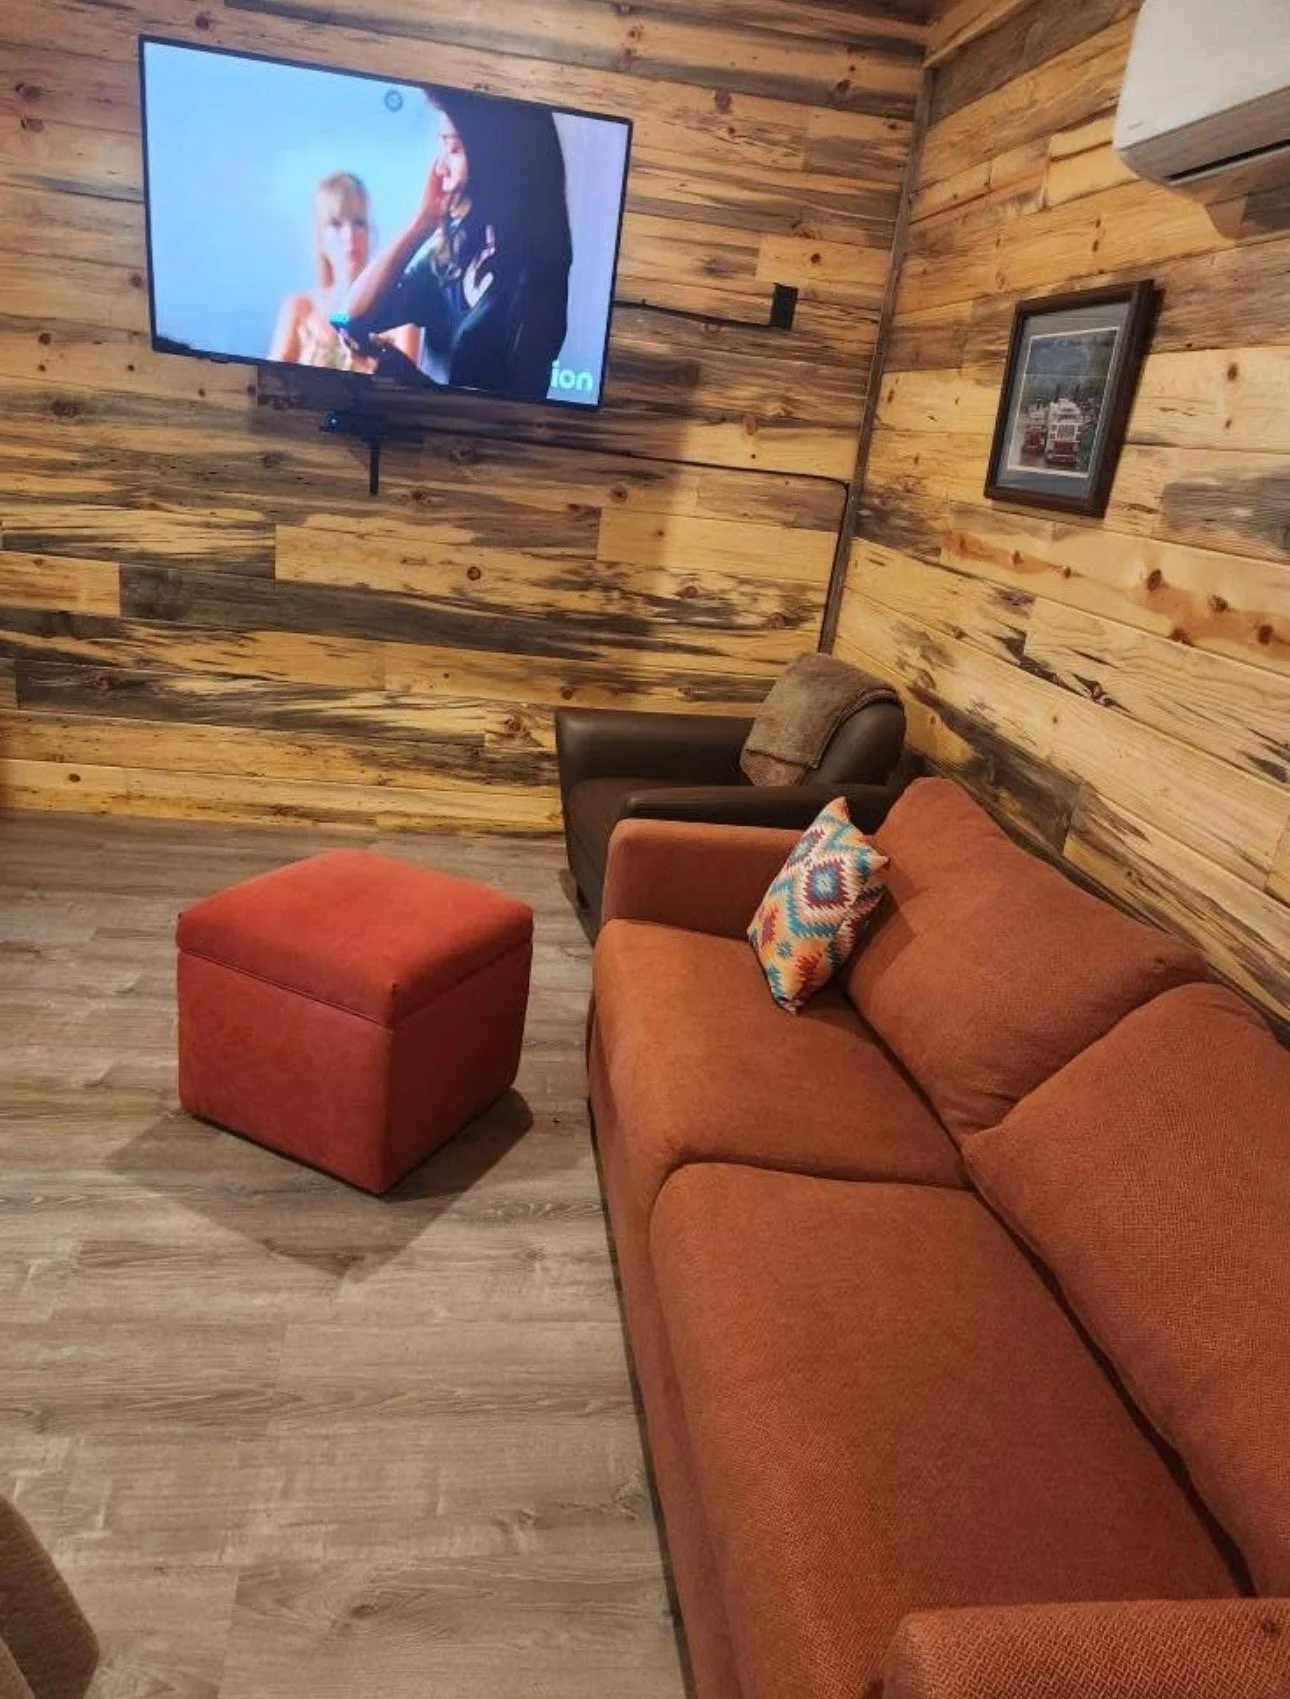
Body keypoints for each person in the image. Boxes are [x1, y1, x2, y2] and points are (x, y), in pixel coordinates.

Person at [339, 92, 573, 401]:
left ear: (496, 161)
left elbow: (516, 413)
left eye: (453, 148)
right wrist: (421, 222)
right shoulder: (455, 252)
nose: (439, 168)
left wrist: (407, 380)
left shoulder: (538, 277)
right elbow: (354, 315)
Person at [269, 172, 419, 371]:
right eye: (336, 224)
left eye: (359, 222)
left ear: (370, 232)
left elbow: (410, 395)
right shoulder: (299, 308)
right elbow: (268, 385)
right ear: (321, 237)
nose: (350, 236)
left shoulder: (401, 317)